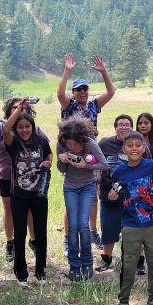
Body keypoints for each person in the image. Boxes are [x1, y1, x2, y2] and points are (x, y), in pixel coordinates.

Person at [57, 52, 116, 251]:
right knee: (71, 196)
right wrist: (67, 70)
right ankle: (67, 237)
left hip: (91, 153)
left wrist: (104, 72)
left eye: (85, 89)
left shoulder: (93, 105)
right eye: (78, 89)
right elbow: (59, 94)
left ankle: (92, 232)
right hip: (71, 152)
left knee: (93, 196)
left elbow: (111, 92)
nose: (82, 92)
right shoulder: (69, 105)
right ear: (73, 93)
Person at [109, 131, 153, 305]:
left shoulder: (152, 166)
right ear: (123, 149)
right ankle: (123, 301)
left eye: (137, 145)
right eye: (130, 146)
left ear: (144, 147)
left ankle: (152, 299)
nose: (134, 149)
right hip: (130, 225)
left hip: (152, 224)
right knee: (129, 265)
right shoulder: (118, 171)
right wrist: (113, 195)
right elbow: (115, 190)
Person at [3, 98, 53, 287]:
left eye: (27, 126)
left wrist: (48, 161)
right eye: (21, 127)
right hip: (19, 196)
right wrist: (19, 110)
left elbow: (49, 154)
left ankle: (40, 271)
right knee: (20, 233)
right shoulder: (13, 142)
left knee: (40, 233)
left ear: (32, 126)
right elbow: (5, 129)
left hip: (39, 194)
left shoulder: (41, 141)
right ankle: (21, 272)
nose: (24, 130)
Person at [0, 98, 44, 261]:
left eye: (24, 107)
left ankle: (33, 241)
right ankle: (10, 243)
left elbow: (45, 147)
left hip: (28, 178)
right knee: (8, 209)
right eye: (16, 107)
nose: (20, 110)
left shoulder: (33, 128)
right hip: (6, 176)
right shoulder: (1, 129)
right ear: (8, 110)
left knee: (30, 211)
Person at [95, 115, 152, 273]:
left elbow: (148, 167)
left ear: (132, 127)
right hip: (109, 195)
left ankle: (139, 261)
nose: (124, 127)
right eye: (120, 124)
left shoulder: (139, 145)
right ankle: (106, 258)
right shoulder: (105, 143)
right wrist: (97, 174)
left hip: (133, 197)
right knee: (108, 227)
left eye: (127, 124)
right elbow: (95, 159)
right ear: (115, 128)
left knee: (135, 228)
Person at [57, 116, 108, 282]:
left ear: (81, 139)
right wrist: (61, 160)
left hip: (87, 185)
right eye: (68, 143)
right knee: (73, 225)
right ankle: (74, 265)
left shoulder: (90, 143)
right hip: (70, 186)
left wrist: (85, 165)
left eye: (74, 144)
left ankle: (87, 263)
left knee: (83, 225)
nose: (71, 146)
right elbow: (61, 169)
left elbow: (104, 164)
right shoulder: (62, 143)